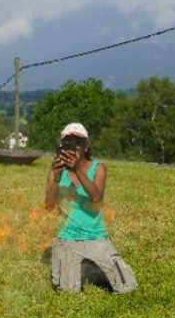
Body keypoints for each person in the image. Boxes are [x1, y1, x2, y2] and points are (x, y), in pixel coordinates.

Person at [44, 123, 136, 294]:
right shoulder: (56, 171)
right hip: (67, 238)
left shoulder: (98, 168)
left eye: (78, 143)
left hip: (96, 237)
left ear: (86, 146)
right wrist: (56, 179)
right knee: (68, 291)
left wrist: (78, 169)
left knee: (127, 287)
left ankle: (92, 266)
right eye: (68, 143)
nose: (73, 147)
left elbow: (96, 198)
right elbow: (49, 205)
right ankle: (82, 267)